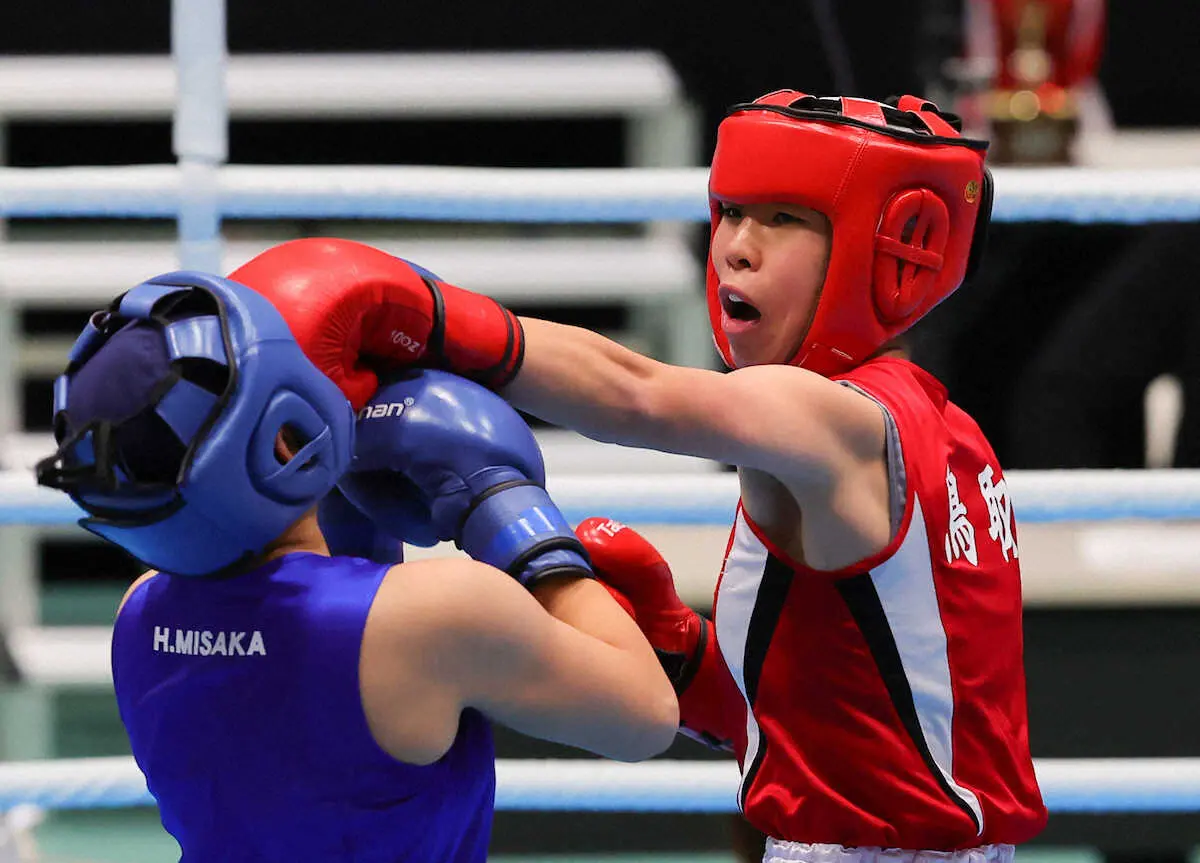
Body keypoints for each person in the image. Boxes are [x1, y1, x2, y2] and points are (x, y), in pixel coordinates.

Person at [233, 90, 1049, 862]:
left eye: (786, 217)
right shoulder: (944, 429)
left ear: (893, 245)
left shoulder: (838, 423)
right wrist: (692, 664)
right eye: (730, 210)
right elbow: (889, 713)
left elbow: (638, 393)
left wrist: (429, 315)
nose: (737, 244)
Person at [34, 271, 677, 861]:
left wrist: (338, 487)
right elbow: (645, 718)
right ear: (283, 434)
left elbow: (309, 669)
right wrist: (509, 509)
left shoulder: (139, 616)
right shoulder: (436, 615)